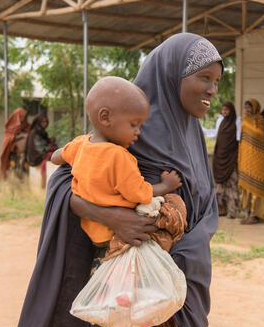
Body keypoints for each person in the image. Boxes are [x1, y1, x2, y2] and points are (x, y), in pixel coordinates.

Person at [9, 33, 223, 327]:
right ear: (171, 75)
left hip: (182, 280)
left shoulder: (190, 133)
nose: (212, 89)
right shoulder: (128, 123)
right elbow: (65, 183)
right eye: (203, 77)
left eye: (217, 81)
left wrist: (185, 245)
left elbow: (205, 208)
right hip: (129, 284)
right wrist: (113, 217)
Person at [49, 76, 183, 247]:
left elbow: (55, 157)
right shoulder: (119, 157)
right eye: (134, 125)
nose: (138, 132)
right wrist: (166, 186)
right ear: (105, 117)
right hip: (116, 233)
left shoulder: (80, 144)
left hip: (92, 231)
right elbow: (138, 193)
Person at [237, 99, 264, 225]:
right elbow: (242, 139)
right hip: (246, 158)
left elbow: (257, 135)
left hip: (258, 158)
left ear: (255, 108)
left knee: (256, 186)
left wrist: (252, 121)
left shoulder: (260, 120)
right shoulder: (244, 120)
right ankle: (248, 213)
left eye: (249, 108)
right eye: (246, 108)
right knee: (246, 186)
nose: (247, 110)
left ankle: (255, 215)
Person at [212, 102, 240, 218]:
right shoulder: (220, 121)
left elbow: (238, 139)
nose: (224, 112)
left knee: (232, 185)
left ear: (231, 111)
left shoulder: (237, 122)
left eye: (226, 110)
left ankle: (233, 211)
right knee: (220, 186)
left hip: (231, 158)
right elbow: (216, 136)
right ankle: (221, 210)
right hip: (220, 157)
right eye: (223, 110)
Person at [25, 113, 58, 188]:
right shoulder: (36, 132)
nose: (45, 124)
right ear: (39, 122)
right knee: (54, 154)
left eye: (46, 122)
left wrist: (50, 141)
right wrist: (50, 148)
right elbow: (40, 148)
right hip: (36, 157)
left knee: (55, 147)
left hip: (41, 153)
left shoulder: (41, 131)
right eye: (43, 122)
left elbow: (44, 142)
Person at [0, 107, 30, 180]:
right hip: (13, 154)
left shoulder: (27, 126)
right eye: (23, 116)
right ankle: (13, 186)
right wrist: (21, 136)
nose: (25, 118)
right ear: (18, 116)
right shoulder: (11, 126)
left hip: (25, 154)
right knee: (14, 171)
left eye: (25, 117)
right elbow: (9, 138)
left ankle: (22, 186)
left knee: (24, 172)